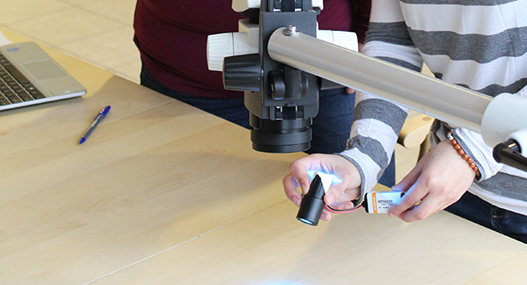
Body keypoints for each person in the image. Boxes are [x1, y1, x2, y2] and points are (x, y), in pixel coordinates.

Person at [282, 0, 527, 285]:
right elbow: (393, 49)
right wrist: (362, 158)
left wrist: (471, 151)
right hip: (468, 191)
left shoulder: (470, 153)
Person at [133, 0, 395, 187]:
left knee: (363, 192)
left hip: (325, 69)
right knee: (178, 192)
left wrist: (367, 34)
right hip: (185, 78)